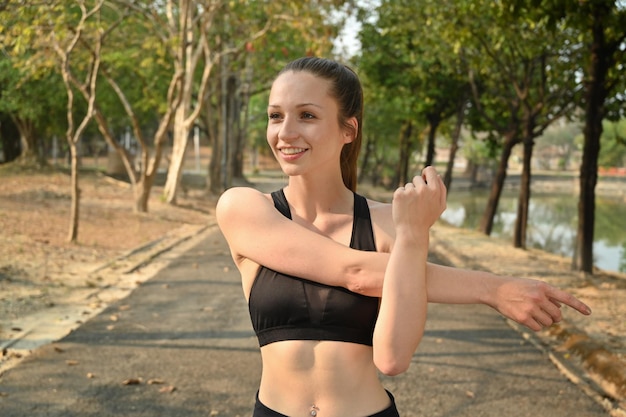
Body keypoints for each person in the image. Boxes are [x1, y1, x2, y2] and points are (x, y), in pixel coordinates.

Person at [216, 57, 591, 417]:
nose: (285, 132)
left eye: (307, 116)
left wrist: (412, 236)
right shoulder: (243, 208)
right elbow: (357, 273)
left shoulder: (390, 224)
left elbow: (392, 358)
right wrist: (492, 289)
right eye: (275, 116)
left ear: (349, 129)